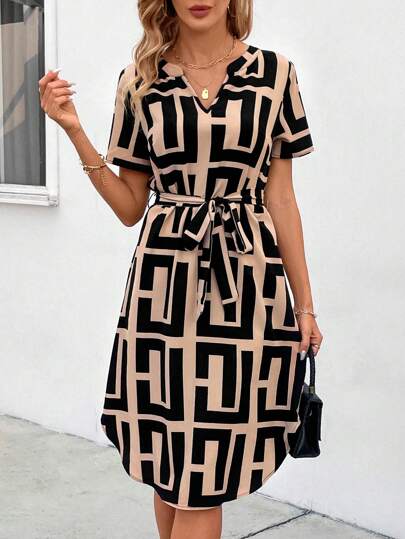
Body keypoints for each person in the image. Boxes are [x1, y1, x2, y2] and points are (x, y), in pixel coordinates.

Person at [38, 1, 323, 537]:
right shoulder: (140, 80)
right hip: (163, 291)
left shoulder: (276, 74)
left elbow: (282, 200)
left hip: (246, 291)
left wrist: (304, 306)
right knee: (171, 466)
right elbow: (130, 206)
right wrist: (74, 130)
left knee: (205, 473)